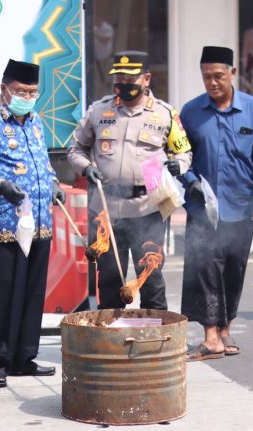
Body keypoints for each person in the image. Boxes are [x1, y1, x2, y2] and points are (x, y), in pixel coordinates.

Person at [0, 59, 65, 388]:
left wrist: (55, 184)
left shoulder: (36, 122)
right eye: (21, 91)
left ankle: (23, 357)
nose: (27, 97)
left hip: (39, 223)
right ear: (4, 88)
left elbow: (43, 164)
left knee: (33, 293)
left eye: (33, 92)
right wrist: (0, 185)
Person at [67, 51, 192, 310]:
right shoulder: (99, 111)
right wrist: (86, 167)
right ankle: (112, 337)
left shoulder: (165, 114)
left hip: (147, 208)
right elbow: (75, 149)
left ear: (146, 79)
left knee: (151, 275)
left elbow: (184, 152)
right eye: (119, 77)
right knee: (110, 278)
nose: (124, 84)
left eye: (130, 78)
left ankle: (155, 335)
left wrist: (177, 165)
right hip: (106, 208)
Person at [178, 46, 253, 361]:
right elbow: (180, 158)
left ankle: (224, 330)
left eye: (218, 76)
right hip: (203, 209)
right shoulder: (190, 112)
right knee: (205, 268)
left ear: (233, 73)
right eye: (207, 77)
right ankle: (210, 337)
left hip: (241, 208)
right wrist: (189, 180)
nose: (213, 82)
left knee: (234, 271)